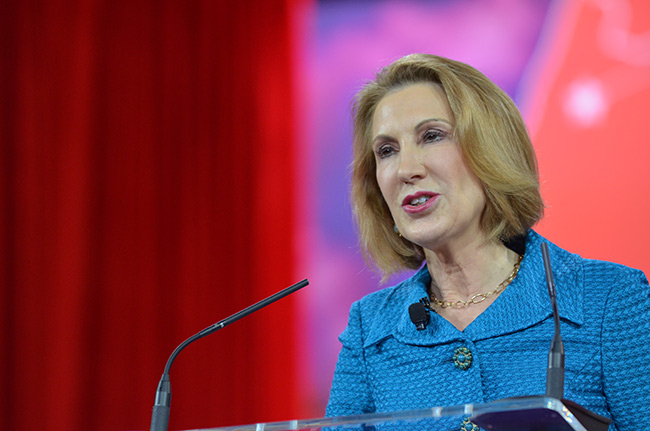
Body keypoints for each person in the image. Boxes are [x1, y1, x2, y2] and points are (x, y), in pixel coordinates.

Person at [325, 54, 650, 431]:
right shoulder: (371, 329)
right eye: (386, 151)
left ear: (491, 150)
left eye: (431, 136)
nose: (405, 169)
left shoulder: (608, 300)